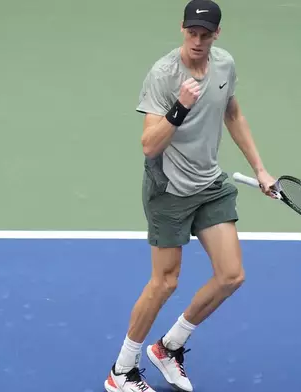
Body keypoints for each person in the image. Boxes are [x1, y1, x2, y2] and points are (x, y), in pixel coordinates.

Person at [104, 1, 276, 391]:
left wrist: (260, 169)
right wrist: (180, 106)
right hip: (169, 190)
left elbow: (232, 114)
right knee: (164, 283)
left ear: (217, 34)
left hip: (209, 185)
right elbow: (149, 145)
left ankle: (169, 347)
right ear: (182, 29)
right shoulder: (164, 74)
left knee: (231, 276)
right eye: (191, 33)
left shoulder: (224, 65)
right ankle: (121, 371)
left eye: (205, 34)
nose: (197, 40)